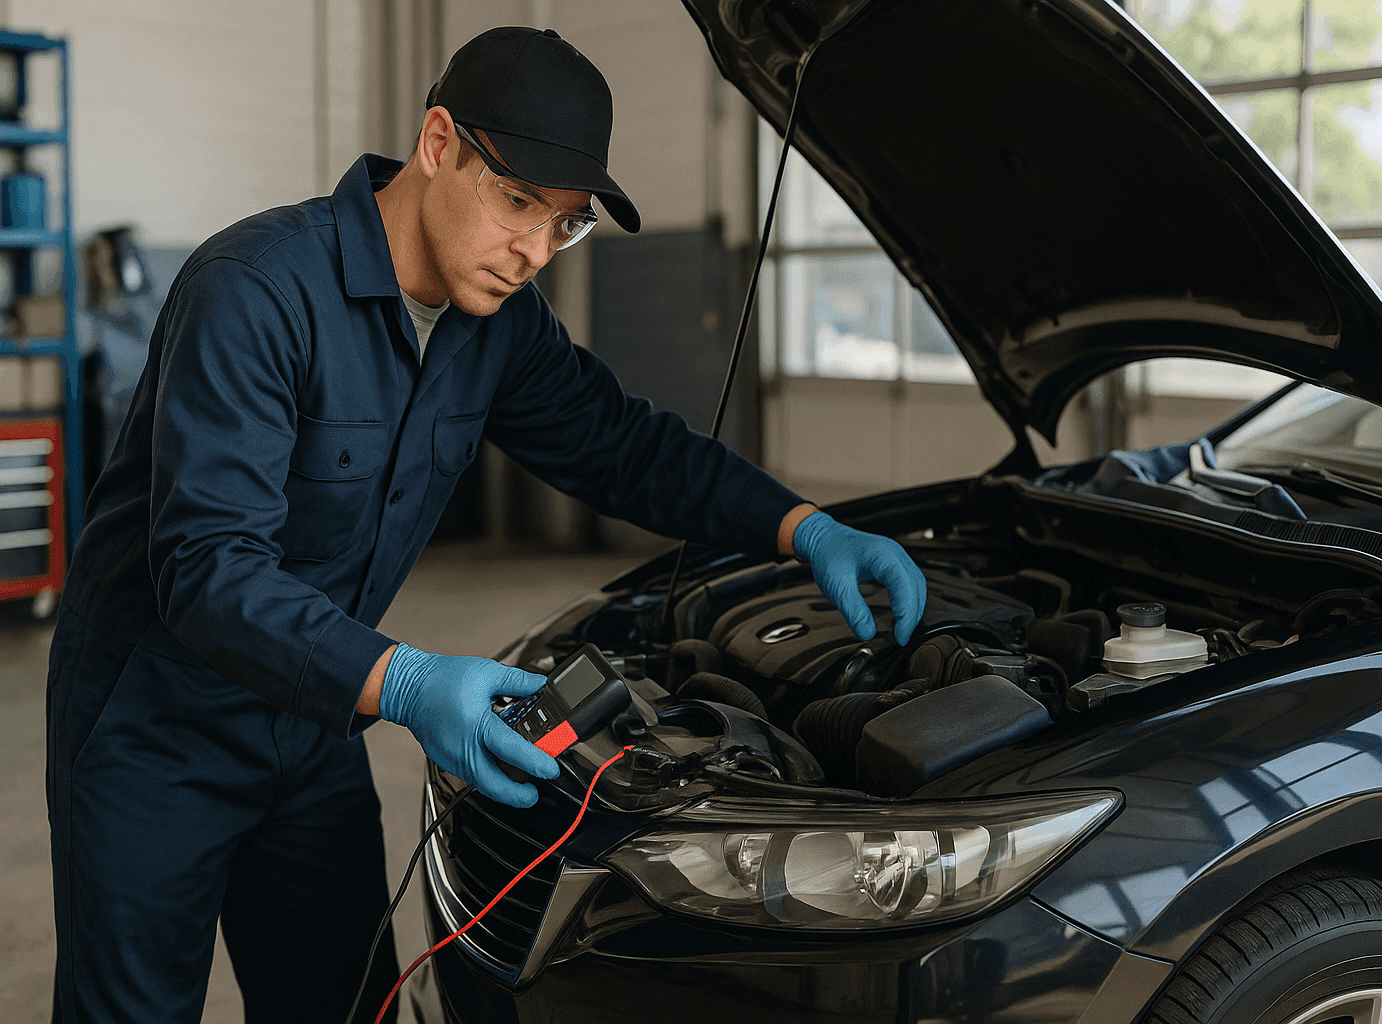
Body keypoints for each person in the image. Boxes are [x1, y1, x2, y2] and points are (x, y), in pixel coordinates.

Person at [45, 25, 927, 1024]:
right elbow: (207, 567)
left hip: (312, 720)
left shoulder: (497, 324)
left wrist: (805, 527)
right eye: (515, 202)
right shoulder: (254, 291)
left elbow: (621, 443)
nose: (533, 252)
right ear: (436, 144)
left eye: (565, 225)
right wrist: (409, 680)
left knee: (341, 1002)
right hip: (156, 726)